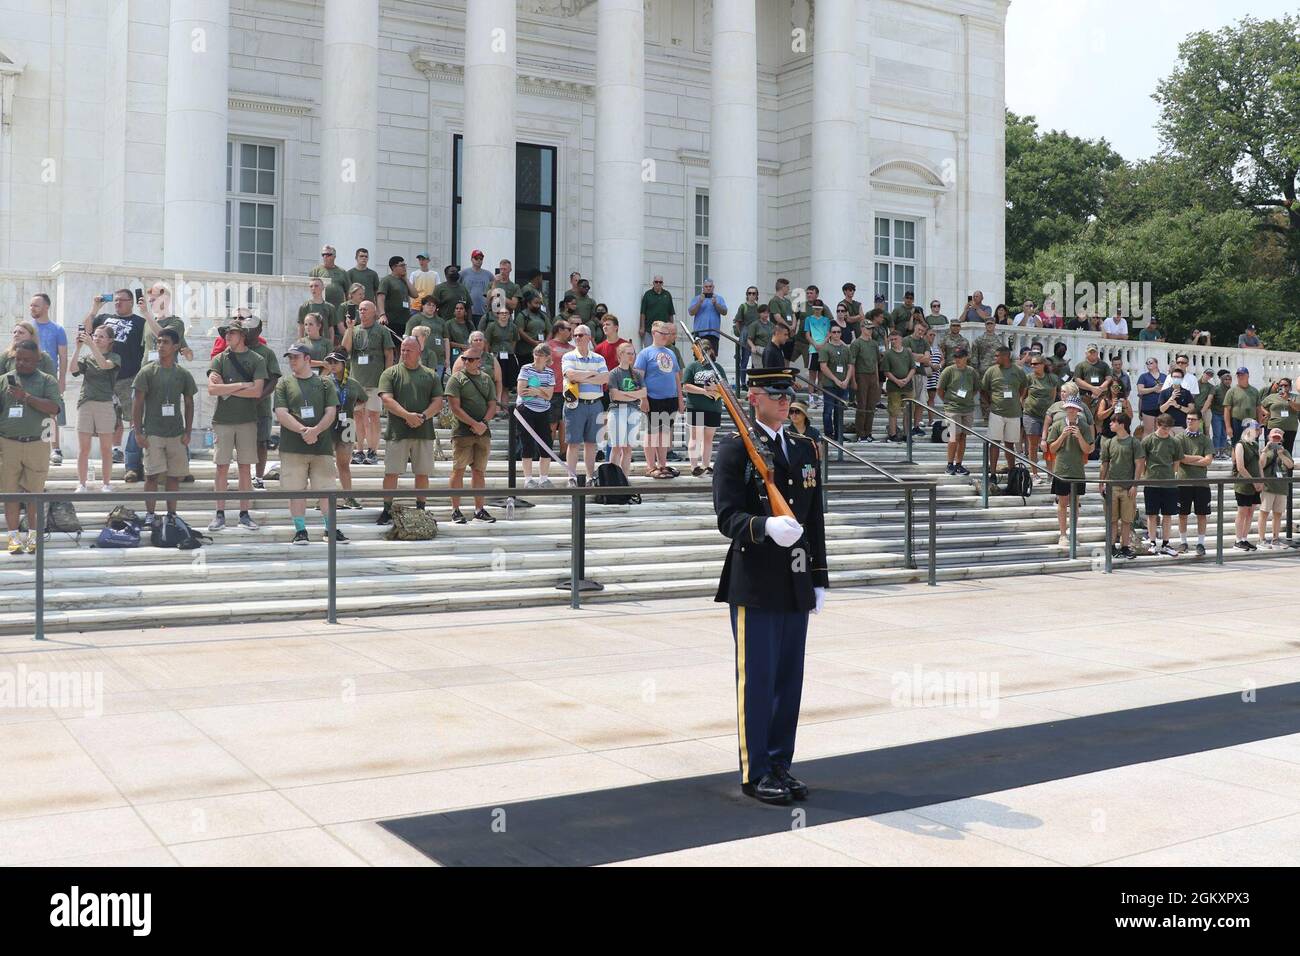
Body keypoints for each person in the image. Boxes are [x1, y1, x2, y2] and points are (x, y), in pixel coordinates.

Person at [713, 366, 826, 805]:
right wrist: (763, 526)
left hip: (795, 580)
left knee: (787, 680)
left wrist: (819, 578)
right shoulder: (736, 449)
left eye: (789, 393)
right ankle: (755, 770)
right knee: (756, 681)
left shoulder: (803, 448)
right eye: (776, 393)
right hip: (755, 581)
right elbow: (727, 518)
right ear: (754, 396)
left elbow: (814, 519)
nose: (786, 400)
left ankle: (781, 762)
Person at [274, 344, 347, 544]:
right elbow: (281, 413)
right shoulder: (284, 383)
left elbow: (331, 411)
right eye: (290, 357)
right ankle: (300, 530)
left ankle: (330, 528)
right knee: (296, 491)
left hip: (321, 446)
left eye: (296, 357)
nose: (292, 361)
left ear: (307, 359)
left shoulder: (324, 383)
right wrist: (304, 431)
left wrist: (315, 431)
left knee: (326, 490)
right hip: (293, 446)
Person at [0, 341, 62, 555]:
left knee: (34, 494)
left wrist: (25, 397)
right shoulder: (3, 382)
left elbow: (54, 408)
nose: (21, 363)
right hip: (8, 444)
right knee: (10, 493)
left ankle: (33, 538)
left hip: (37, 443)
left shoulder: (47, 381)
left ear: (37, 361)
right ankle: (14, 538)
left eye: (27, 360)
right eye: (18, 359)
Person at [376, 336, 445, 525]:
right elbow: (387, 400)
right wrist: (407, 415)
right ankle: (386, 509)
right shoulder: (390, 373)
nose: (404, 353)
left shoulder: (430, 375)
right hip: (397, 432)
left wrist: (422, 417)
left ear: (419, 352)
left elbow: (438, 402)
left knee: (422, 473)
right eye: (403, 349)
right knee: (391, 472)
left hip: (423, 432)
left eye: (409, 350)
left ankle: (421, 508)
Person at [206, 318, 265, 532]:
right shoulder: (219, 359)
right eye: (226, 334)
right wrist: (241, 385)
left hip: (247, 420)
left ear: (242, 336)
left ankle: (244, 513)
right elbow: (212, 390)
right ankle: (219, 513)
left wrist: (227, 389)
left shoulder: (256, 359)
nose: (227, 337)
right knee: (221, 466)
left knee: (245, 468)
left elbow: (257, 391)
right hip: (223, 420)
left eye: (231, 333)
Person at [131, 328, 195, 525]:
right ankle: (150, 514)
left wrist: (188, 432)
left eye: (165, 342)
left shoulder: (183, 373)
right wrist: (138, 431)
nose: (160, 346)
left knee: (174, 477)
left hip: (176, 433)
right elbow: (138, 402)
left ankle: (172, 515)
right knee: (151, 475)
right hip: (153, 433)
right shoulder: (147, 371)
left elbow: (190, 402)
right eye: (158, 342)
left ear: (176, 346)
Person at [83, 288, 146, 475]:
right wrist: (94, 308)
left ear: (131, 302)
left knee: (134, 417)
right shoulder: (104, 318)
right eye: (116, 300)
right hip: (105, 376)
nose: (118, 303)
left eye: (122, 300)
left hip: (129, 375)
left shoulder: (140, 322)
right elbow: (86, 330)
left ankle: (134, 455)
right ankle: (115, 449)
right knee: (112, 416)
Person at [445, 348, 497, 523]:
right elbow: (455, 407)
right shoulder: (456, 379)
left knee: (479, 471)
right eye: (464, 359)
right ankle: (455, 510)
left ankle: (479, 509)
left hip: (483, 431)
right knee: (458, 469)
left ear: (479, 361)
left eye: (471, 359)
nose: (467, 362)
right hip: (462, 431)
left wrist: (483, 423)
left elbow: (492, 404)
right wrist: (474, 424)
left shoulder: (486, 379)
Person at [340, 301, 395, 465]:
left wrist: (387, 379)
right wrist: (349, 328)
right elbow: (345, 350)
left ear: (373, 312)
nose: (362, 312)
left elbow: (389, 354)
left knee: (373, 416)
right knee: (357, 416)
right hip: (357, 382)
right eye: (360, 309)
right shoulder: (354, 330)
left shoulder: (381, 330)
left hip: (376, 380)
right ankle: (359, 450)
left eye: (365, 309)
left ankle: (372, 451)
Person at [71, 325, 120, 493]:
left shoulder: (115, 357)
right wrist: (77, 349)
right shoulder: (87, 356)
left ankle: (106, 483)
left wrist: (91, 345)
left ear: (110, 340)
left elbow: (105, 365)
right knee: (84, 447)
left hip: (105, 403)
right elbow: (73, 370)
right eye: (95, 335)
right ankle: (82, 483)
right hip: (85, 402)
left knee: (106, 448)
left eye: (101, 336)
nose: (97, 338)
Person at [560, 324, 609, 486]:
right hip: (575, 404)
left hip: (595, 404)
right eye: (575, 335)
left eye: (580, 335)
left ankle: (589, 477)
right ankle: (571, 477)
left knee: (591, 443)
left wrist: (582, 378)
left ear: (589, 337)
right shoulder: (568, 357)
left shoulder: (599, 358)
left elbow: (605, 379)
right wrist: (592, 375)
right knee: (573, 443)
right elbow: (570, 375)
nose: (577, 338)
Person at [635, 321, 683, 479]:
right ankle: (650, 466)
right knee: (652, 433)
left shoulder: (671, 353)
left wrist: (680, 399)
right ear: (654, 333)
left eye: (667, 333)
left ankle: (662, 464)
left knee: (664, 433)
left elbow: (677, 378)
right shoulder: (645, 353)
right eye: (662, 333)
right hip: (653, 398)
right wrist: (643, 398)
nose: (666, 336)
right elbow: (639, 378)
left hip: (670, 399)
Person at [1044, 397, 1092, 548]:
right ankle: (1063, 534)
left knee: (1075, 503)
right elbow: (1051, 449)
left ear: (1078, 410)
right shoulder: (1058, 425)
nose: (1071, 410)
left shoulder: (1083, 426)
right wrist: (1063, 436)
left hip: (1077, 470)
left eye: (1074, 408)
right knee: (1062, 503)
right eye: (1068, 408)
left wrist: (1079, 437)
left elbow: (1089, 449)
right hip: (1061, 470)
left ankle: (1073, 533)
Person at [321, 351, 363, 511]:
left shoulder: (353, 383)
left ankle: (348, 497)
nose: (332, 365)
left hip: (348, 424)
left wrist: (351, 408)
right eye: (330, 362)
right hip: (328, 424)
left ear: (343, 364)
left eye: (335, 362)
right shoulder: (324, 382)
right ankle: (324, 498)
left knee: (344, 464)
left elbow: (363, 401)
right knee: (325, 463)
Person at [29, 293, 68, 465]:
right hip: (29, 378)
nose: (32, 308)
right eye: (31, 305)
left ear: (46, 307)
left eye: (36, 305)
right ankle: (36, 448)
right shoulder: (28, 328)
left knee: (52, 413)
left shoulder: (58, 329)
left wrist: (62, 380)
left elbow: (63, 357)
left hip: (50, 379)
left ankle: (55, 449)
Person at [1099, 411, 1144, 559]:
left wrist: (1135, 485)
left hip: (1127, 487)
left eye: (1113, 422)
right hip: (1111, 486)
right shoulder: (1109, 442)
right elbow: (1104, 464)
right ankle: (1111, 546)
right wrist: (1101, 482)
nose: (1110, 424)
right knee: (1111, 520)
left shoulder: (1133, 442)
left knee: (1126, 520)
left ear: (1122, 424)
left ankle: (1125, 546)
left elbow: (1139, 464)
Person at [981, 346, 1027, 478]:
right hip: (996, 412)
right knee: (994, 443)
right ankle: (993, 473)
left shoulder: (1018, 371)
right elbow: (983, 389)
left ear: (1006, 356)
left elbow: (1024, 386)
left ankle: (1012, 472)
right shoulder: (991, 371)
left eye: (997, 356)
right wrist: (990, 403)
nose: (995, 358)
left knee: (1010, 444)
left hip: (1014, 413)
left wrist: (1019, 399)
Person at [682, 339, 726, 476]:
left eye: (707, 350)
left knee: (708, 438)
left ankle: (706, 465)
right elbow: (686, 386)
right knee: (695, 437)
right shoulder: (692, 366)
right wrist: (704, 391)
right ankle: (694, 466)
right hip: (696, 406)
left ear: (711, 351)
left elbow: (725, 387)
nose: (705, 353)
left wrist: (716, 388)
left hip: (713, 407)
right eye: (702, 351)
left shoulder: (717, 367)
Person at [1140, 413, 1182, 556]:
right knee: (1152, 514)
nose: (1166, 431)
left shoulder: (1175, 442)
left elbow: (1177, 461)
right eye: (1164, 428)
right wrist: (1145, 475)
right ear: (1158, 425)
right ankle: (1152, 542)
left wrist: (1173, 475)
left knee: (1168, 515)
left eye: (1168, 428)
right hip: (1152, 482)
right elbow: (1142, 459)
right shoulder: (1148, 440)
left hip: (1169, 483)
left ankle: (1165, 543)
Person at [517, 343, 558, 488]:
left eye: (541, 355)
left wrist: (536, 390)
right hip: (526, 409)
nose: (537, 357)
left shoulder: (550, 373)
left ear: (547, 357)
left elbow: (549, 395)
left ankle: (544, 478)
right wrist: (543, 391)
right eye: (536, 354)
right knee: (527, 443)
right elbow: (522, 391)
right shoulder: (526, 369)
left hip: (543, 411)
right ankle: (528, 479)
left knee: (546, 443)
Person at [1175, 410, 1214, 556]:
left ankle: (1200, 543)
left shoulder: (1205, 439)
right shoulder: (1179, 437)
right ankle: (1183, 541)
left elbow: (1208, 460)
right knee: (1182, 514)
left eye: (1192, 419)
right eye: (1188, 419)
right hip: (1183, 481)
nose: (1189, 421)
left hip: (1201, 483)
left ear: (1199, 421)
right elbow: (1181, 458)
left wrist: (1191, 459)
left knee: (1202, 514)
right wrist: (1198, 458)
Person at [606, 342, 644, 480]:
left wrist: (626, 394)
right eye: (628, 353)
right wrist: (635, 394)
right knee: (617, 446)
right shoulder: (614, 373)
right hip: (617, 410)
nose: (632, 356)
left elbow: (644, 393)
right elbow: (615, 395)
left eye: (633, 353)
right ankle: (612, 479)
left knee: (628, 448)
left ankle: (624, 479)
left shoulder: (637, 374)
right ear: (620, 354)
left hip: (633, 411)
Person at [937, 347, 977, 475]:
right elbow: (940, 389)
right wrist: (948, 402)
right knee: (954, 436)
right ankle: (949, 464)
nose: (957, 359)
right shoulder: (948, 370)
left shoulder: (972, 371)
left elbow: (976, 388)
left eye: (960, 357)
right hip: (953, 408)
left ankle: (959, 464)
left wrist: (968, 398)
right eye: (956, 357)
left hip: (967, 408)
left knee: (963, 436)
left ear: (966, 357)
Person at [1021, 351, 1058, 483]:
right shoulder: (1029, 377)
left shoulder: (1051, 378)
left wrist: (1050, 410)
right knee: (1033, 445)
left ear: (1043, 364)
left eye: (1036, 364)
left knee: (1048, 444)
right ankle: (1035, 473)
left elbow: (1054, 395)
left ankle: (1050, 473)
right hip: (1031, 415)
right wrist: (1026, 406)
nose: (1033, 366)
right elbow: (1022, 395)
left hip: (1047, 416)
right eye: (1031, 364)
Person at [847, 314, 881, 443]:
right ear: (862, 328)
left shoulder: (874, 344)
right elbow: (852, 363)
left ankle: (868, 432)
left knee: (871, 406)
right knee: (862, 405)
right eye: (867, 328)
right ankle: (860, 433)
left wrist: (877, 380)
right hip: (861, 375)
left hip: (872, 375)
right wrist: (854, 380)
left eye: (871, 328)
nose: (870, 331)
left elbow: (876, 363)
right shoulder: (856, 343)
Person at [1258, 427, 1294, 549]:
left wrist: (1281, 454)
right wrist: (1265, 449)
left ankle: (1275, 538)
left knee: (1278, 514)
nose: (1276, 440)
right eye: (1274, 437)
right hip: (1268, 486)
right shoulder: (1265, 450)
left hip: (1281, 487)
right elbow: (1261, 465)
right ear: (1269, 437)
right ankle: (1261, 539)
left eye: (1278, 438)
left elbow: (1290, 465)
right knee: (1264, 512)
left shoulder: (1284, 451)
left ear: (1282, 439)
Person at [1233, 420, 1265, 550]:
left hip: (1255, 484)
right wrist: (1254, 481)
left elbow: (1258, 465)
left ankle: (1244, 538)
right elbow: (1240, 467)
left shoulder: (1255, 444)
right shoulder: (1240, 445)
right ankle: (1238, 540)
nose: (1259, 431)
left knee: (1250, 512)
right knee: (1242, 512)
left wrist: (1262, 480)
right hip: (1244, 484)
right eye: (1256, 428)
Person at [818, 323, 851, 439]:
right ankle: (828, 433)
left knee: (839, 410)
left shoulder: (846, 349)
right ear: (830, 334)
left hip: (843, 384)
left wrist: (847, 380)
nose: (836, 334)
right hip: (830, 384)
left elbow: (850, 365)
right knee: (828, 410)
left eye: (838, 332)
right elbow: (823, 367)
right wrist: (836, 380)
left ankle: (839, 434)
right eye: (834, 332)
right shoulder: (826, 348)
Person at [881, 329, 914, 443]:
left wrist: (907, 379)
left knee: (908, 412)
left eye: (895, 339)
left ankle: (907, 434)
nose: (893, 341)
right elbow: (886, 371)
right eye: (891, 340)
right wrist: (897, 381)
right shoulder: (888, 354)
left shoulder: (907, 352)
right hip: (894, 387)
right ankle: (893, 434)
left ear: (901, 339)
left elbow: (913, 368)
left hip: (908, 386)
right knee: (893, 411)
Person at [1223, 367, 1264, 449]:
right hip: (1237, 422)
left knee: (1252, 445)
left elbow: (1259, 409)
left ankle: (1251, 462)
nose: (1240, 376)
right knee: (1236, 445)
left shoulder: (1254, 391)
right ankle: (1236, 462)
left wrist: (1259, 426)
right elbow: (1227, 410)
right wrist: (1228, 427)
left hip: (1252, 422)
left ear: (1248, 376)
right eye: (1238, 375)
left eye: (1242, 374)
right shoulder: (1231, 391)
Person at [1260, 378, 1300, 454]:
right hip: (1274, 427)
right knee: (1272, 452)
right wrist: (1266, 413)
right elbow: (1260, 406)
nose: (1283, 387)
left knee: (1287, 452)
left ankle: (1286, 466)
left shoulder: (1296, 397)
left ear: (1290, 387)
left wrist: (1288, 400)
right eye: (1281, 385)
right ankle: (1271, 466)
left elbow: (1298, 408)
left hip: (1290, 428)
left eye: (1286, 385)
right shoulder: (1272, 397)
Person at [687, 278, 727, 351]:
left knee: (713, 357)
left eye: (710, 286)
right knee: (699, 357)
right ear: (703, 288)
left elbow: (724, 312)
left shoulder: (719, 298)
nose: (708, 288)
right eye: (706, 287)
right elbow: (691, 312)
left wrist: (716, 304)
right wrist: (699, 303)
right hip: (699, 333)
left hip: (714, 333)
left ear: (713, 287)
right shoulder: (697, 298)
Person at [298, 277, 339, 342]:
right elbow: (301, 327)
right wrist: (300, 343)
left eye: (316, 286)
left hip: (325, 344)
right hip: (309, 344)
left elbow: (331, 328)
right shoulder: (304, 307)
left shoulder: (330, 307)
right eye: (311, 286)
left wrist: (330, 344)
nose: (313, 288)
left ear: (323, 288)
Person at [639, 275, 676, 347]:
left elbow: (671, 313)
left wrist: (672, 329)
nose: (658, 284)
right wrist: (642, 327)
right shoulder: (647, 294)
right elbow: (643, 313)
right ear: (653, 283)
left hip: (664, 331)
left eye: (660, 282)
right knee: (650, 352)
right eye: (656, 282)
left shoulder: (667, 295)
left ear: (662, 283)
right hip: (650, 330)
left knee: (663, 353)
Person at [463, 249, 494, 326]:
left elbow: (494, 289)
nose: (479, 260)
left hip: (484, 312)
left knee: (482, 335)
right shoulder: (464, 273)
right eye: (476, 258)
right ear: (471, 259)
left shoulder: (488, 274)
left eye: (481, 259)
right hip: (468, 311)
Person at [1136, 357, 1163, 435]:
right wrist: (1153, 389)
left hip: (1161, 407)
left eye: (1151, 362)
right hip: (1148, 407)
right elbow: (1140, 391)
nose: (1149, 364)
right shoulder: (1143, 376)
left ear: (1156, 364)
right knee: (1148, 431)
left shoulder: (1164, 376)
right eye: (1147, 363)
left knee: (1159, 431)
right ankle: (1146, 447)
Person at [1209, 369, 1232, 459]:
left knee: (1224, 434)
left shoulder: (1232, 390)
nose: (1228, 381)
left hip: (1227, 416)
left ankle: (1222, 452)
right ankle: (1215, 452)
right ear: (1222, 380)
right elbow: (1210, 400)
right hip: (1216, 414)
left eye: (1229, 379)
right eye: (1226, 379)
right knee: (1217, 434)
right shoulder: (1216, 388)